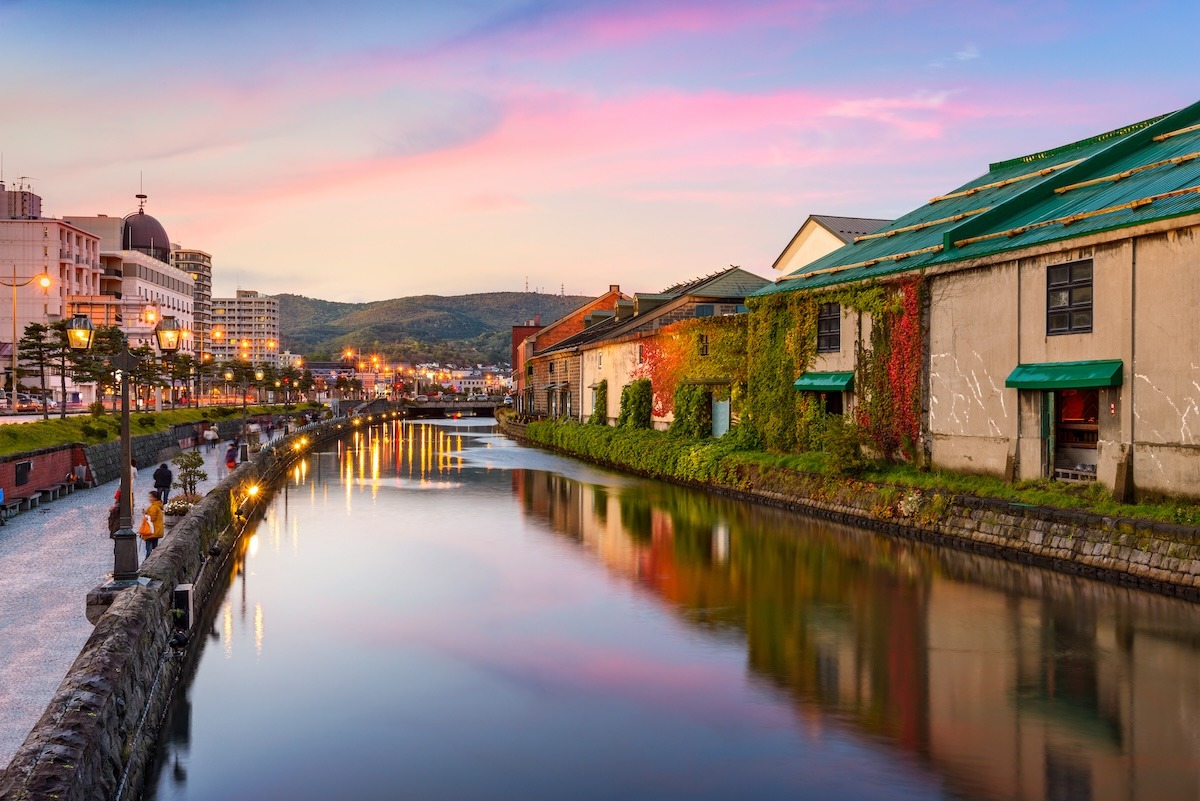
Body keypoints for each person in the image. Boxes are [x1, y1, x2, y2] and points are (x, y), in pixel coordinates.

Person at [141, 489, 164, 558]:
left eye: (150, 497)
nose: (149, 499)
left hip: (151, 531)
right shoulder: (158, 506)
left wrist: (145, 514)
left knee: (149, 549)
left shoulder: (154, 507)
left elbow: (152, 518)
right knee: (154, 548)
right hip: (156, 530)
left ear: (155, 498)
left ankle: (147, 562)